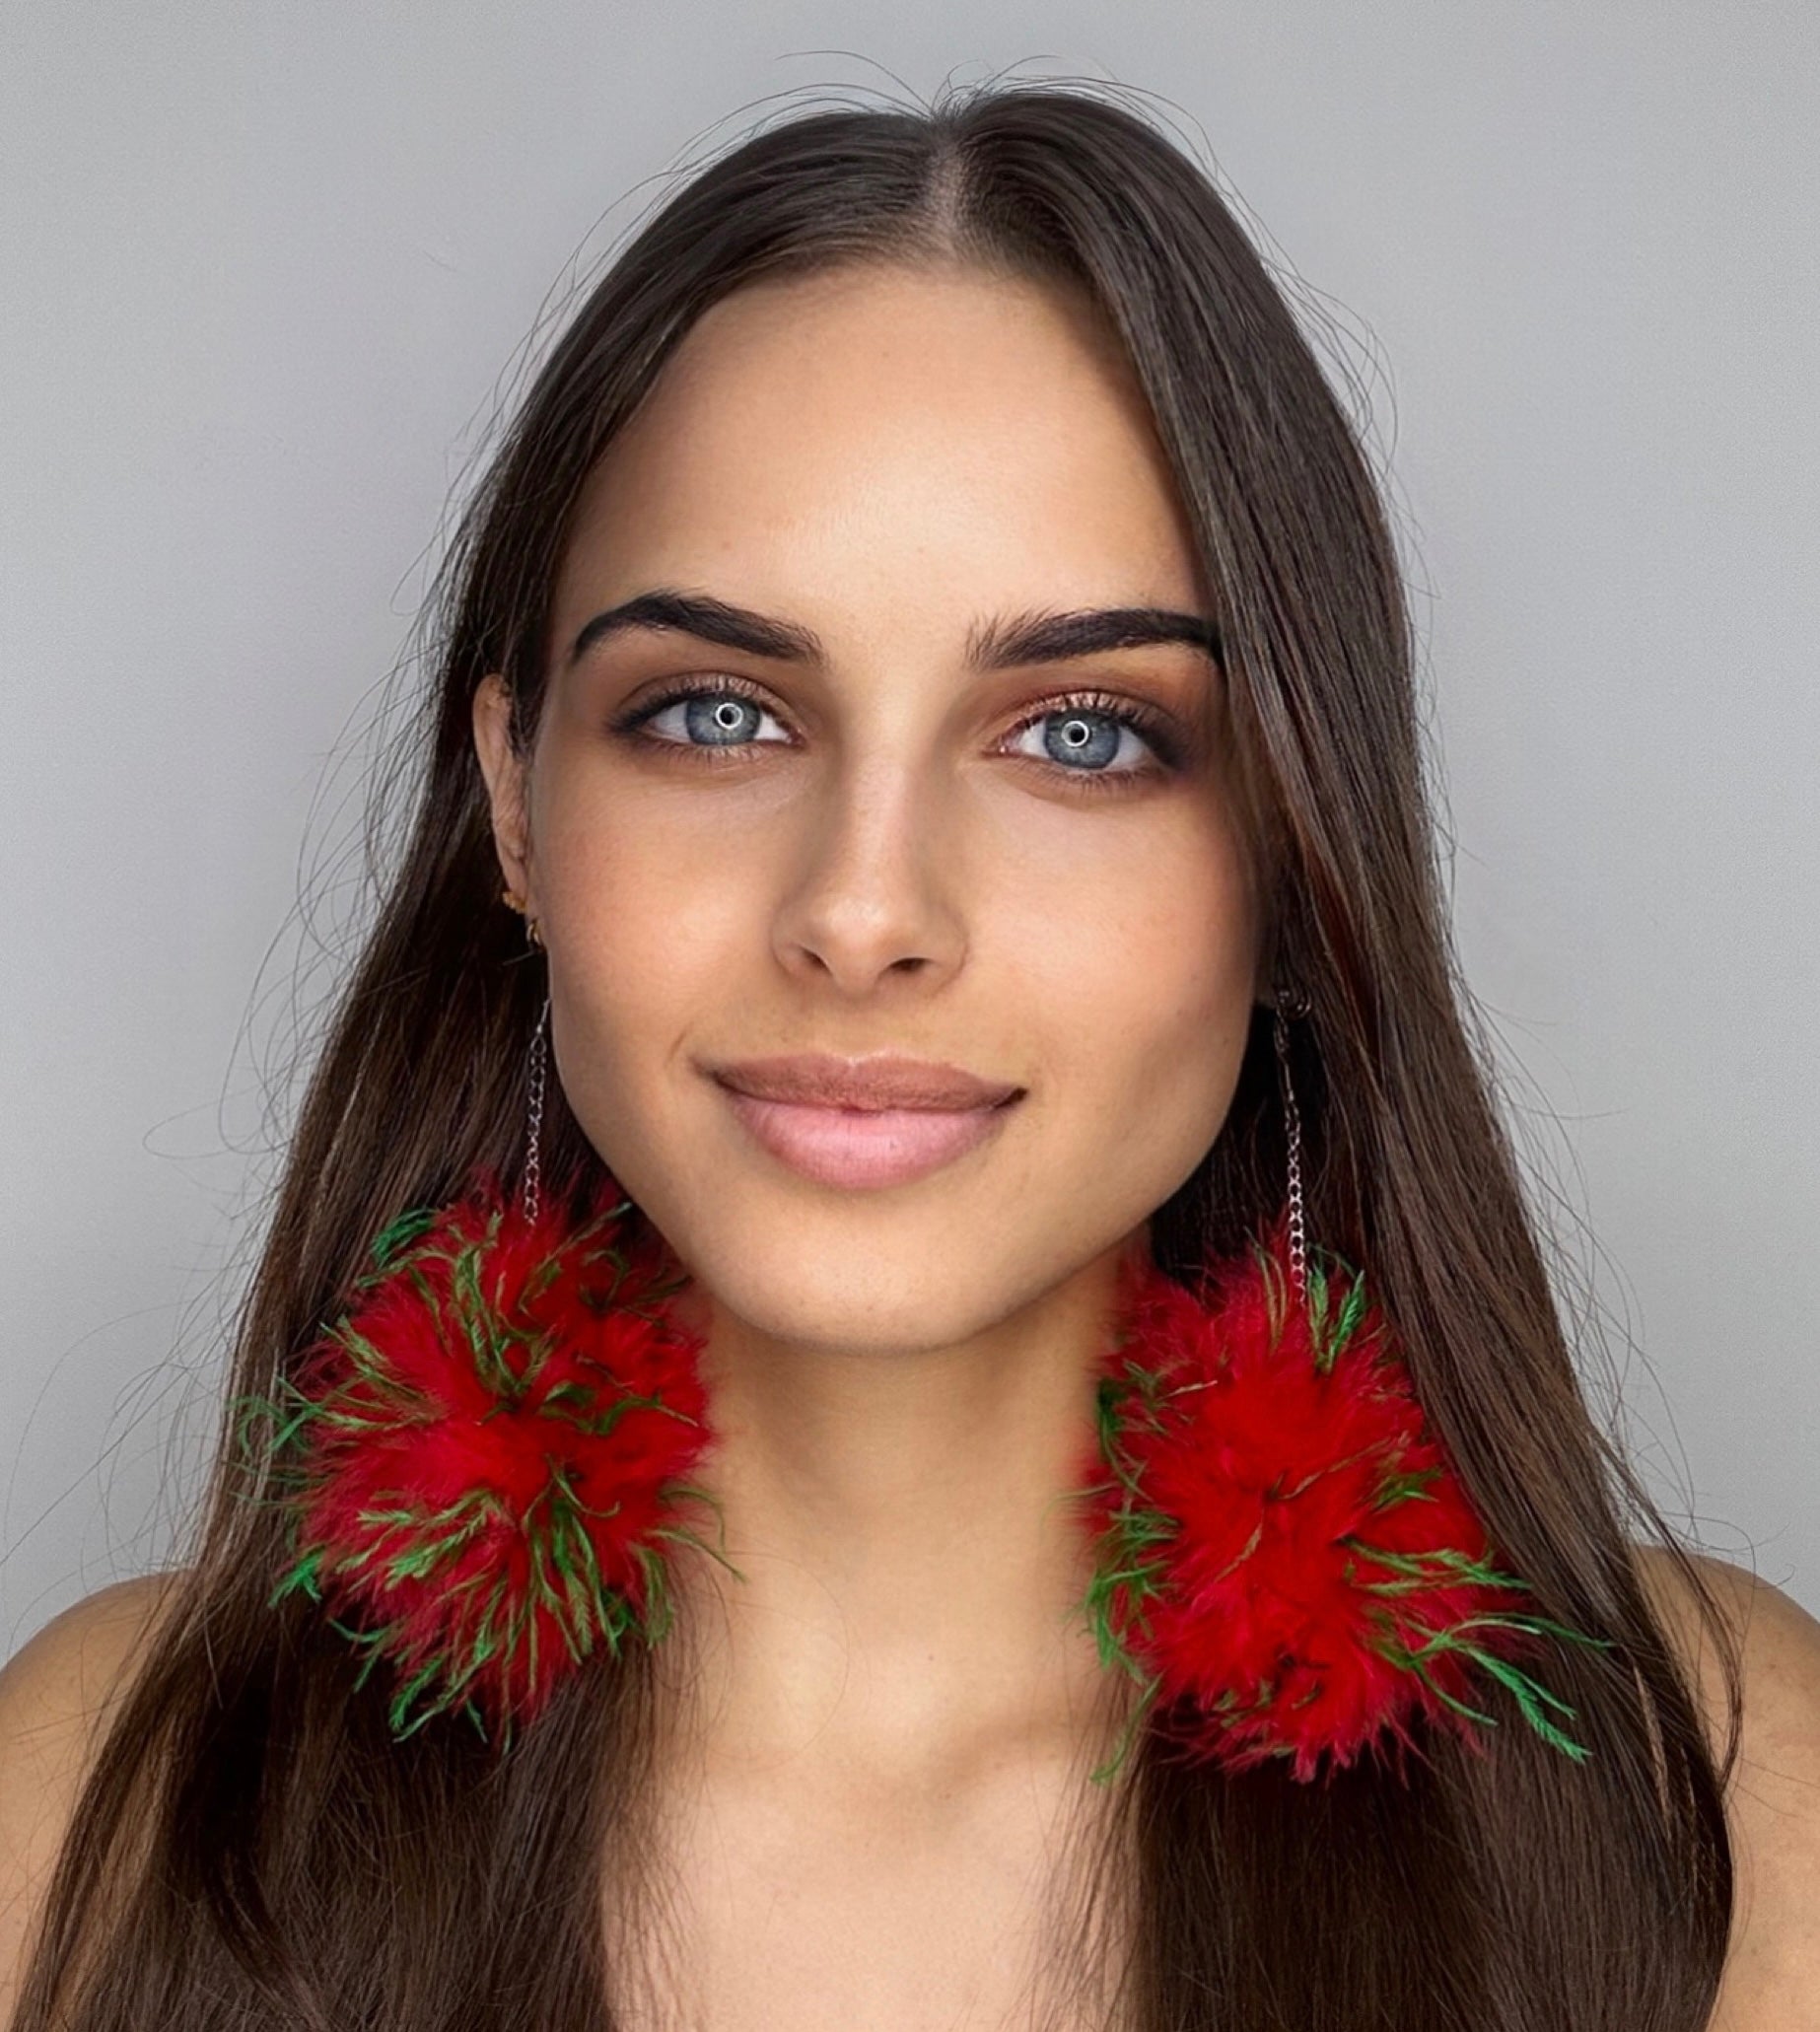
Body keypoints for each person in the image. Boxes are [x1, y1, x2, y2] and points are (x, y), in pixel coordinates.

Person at [2, 79, 1816, 2032]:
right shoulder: (97, 1788)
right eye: (714, 714)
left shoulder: (1707, 1790)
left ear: (1296, 859)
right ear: (515, 809)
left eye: (1081, 733)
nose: (863, 909)